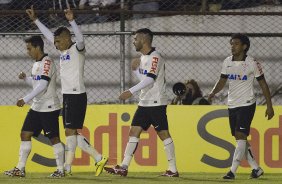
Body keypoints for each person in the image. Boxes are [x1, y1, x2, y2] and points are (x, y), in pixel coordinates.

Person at [26, 5, 108, 176]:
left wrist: (72, 21)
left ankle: (88, 160)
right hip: (69, 96)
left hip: (76, 95)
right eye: (55, 42)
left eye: (58, 41)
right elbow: (49, 36)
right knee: (71, 132)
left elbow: (81, 39)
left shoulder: (77, 49)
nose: (55, 44)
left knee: (70, 132)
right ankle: (73, 166)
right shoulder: (63, 51)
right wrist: (36, 20)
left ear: (67, 39)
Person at [104, 28, 179, 177]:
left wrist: (130, 91)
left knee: (164, 134)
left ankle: (173, 169)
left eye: (135, 39)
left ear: (144, 39)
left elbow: (150, 80)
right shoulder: (143, 58)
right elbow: (145, 80)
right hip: (144, 102)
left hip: (156, 102)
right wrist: (136, 71)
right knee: (133, 131)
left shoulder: (155, 56)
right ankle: (123, 166)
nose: (134, 42)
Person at [208, 33, 274, 180]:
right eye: (231, 43)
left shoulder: (252, 63)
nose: (232, 46)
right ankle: (256, 168)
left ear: (244, 47)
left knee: (240, 135)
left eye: (236, 44)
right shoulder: (227, 61)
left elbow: (263, 84)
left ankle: (232, 171)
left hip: (247, 104)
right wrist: (213, 92)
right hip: (232, 104)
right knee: (239, 139)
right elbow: (222, 80)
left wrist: (270, 106)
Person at [4, 36, 65, 178]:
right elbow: (37, 83)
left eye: (29, 48)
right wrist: (26, 78)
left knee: (54, 138)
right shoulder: (36, 64)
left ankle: (60, 170)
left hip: (49, 106)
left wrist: (25, 99)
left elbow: (43, 86)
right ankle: (20, 169)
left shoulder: (47, 62)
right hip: (37, 106)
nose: (28, 52)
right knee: (25, 134)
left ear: (38, 47)